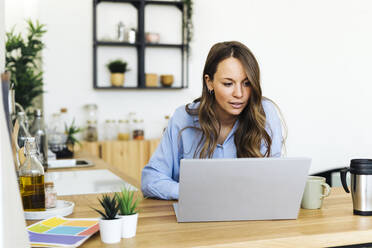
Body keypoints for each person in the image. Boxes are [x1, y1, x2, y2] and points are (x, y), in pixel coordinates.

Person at [141, 41, 284, 200]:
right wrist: (196, 194)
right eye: (228, 84)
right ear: (209, 82)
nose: (239, 93)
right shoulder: (183, 118)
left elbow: (274, 179)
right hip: (195, 216)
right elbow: (151, 179)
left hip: (249, 217)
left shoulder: (264, 113)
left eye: (247, 83)